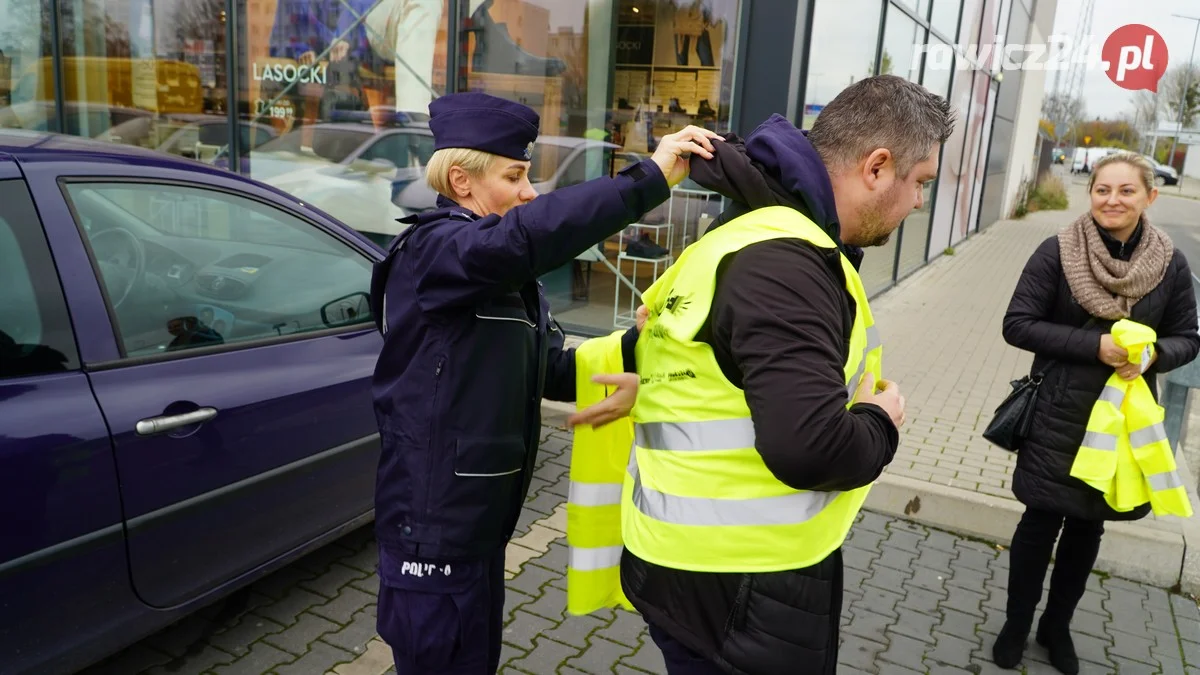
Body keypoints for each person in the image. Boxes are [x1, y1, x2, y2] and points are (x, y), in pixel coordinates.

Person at [609, 75, 954, 675]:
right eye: (919, 182)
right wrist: (881, 421)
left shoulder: (759, 229)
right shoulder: (786, 265)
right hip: (737, 591)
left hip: (697, 571)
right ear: (877, 167)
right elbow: (809, 449)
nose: (919, 202)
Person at [368, 90, 720, 674]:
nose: (529, 192)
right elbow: (529, 235)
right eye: (515, 176)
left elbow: (550, 367)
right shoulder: (437, 251)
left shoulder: (491, 269)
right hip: (433, 534)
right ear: (461, 181)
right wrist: (649, 178)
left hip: (478, 530)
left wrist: (640, 347)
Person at [994, 151, 1200, 674]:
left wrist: (1155, 355)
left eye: (1126, 190)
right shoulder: (1058, 250)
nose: (1112, 199)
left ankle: (1055, 628)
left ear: (1149, 197)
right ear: (1091, 194)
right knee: (1039, 525)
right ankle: (1016, 625)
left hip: (1122, 424)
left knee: (1088, 530)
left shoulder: (1170, 264)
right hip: (1058, 415)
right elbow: (1017, 323)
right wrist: (1096, 347)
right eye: (1103, 189)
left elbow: (1188, 339)